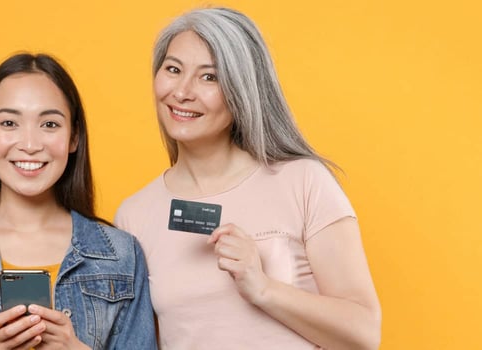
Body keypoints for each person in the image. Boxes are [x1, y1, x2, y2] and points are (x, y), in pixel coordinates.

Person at [115, 7, 382, 350]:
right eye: (173, 69)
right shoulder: (134, 215)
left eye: (209, 77)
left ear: (242, 89)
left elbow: (364, 334)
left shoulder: (303, 182)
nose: (182, 91)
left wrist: (262, 288)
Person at [0, 53, 156, 350]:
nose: (29, 144)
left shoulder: (122, 255)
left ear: (74, 137)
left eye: (50, 124)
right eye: (9, 123)